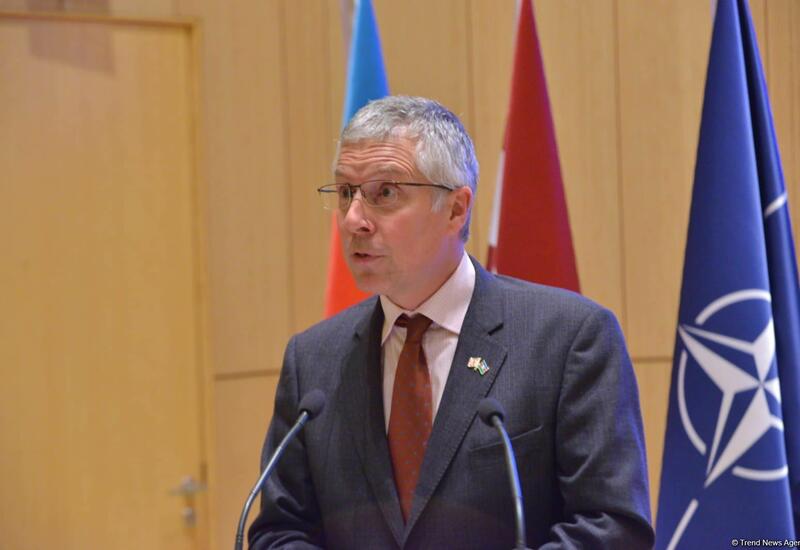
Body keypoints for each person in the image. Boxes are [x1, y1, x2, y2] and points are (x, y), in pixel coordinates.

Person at [248, 96, 654, 549]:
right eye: (345, 193)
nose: (354, 220)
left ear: (456, 209)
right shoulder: (313, 360)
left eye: (385, 193)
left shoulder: (568, 339)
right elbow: (279, 530)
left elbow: (611, 526)